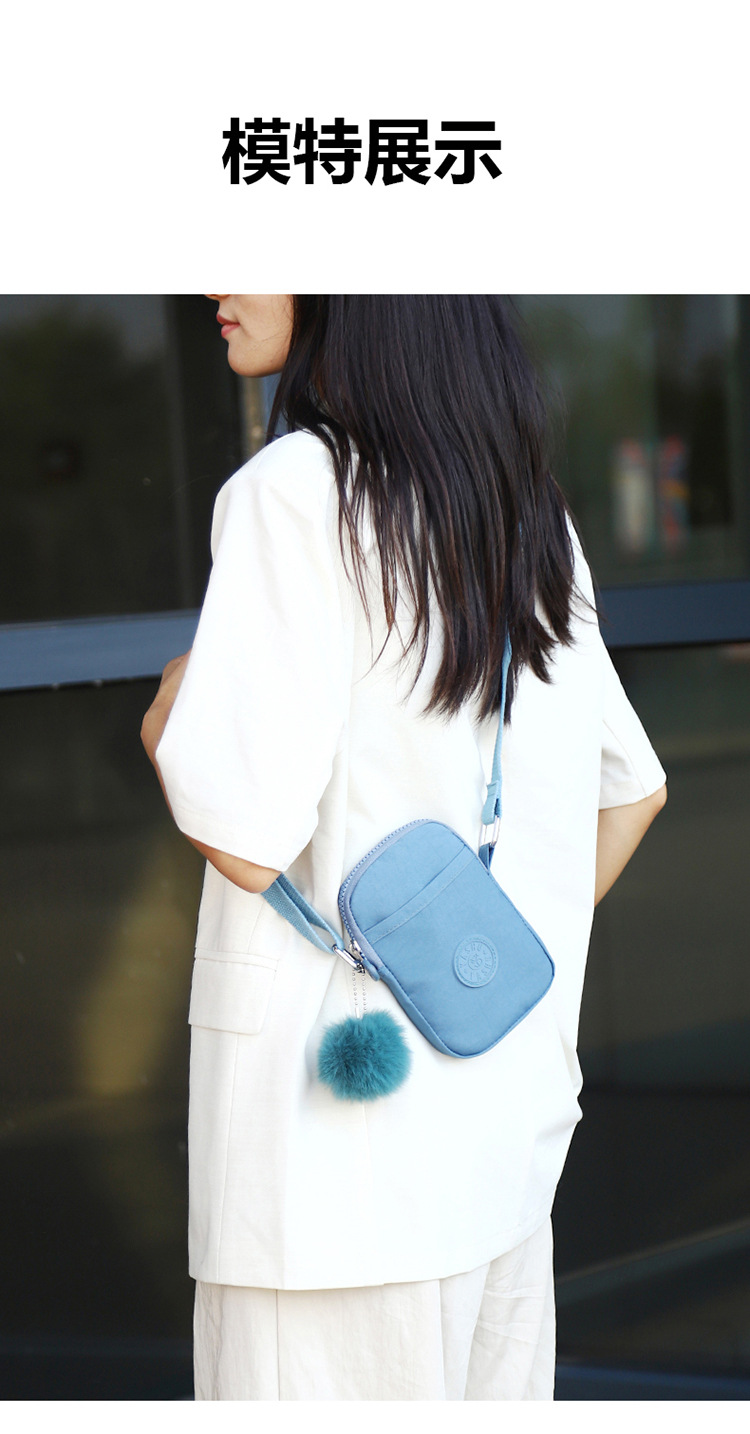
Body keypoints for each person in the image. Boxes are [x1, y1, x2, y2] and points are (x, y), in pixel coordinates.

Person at [141, 294, 667, 1401]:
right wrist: (461, 970)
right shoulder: (525, 510)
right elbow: (632, 793)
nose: (210, 284)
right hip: (502, 1154)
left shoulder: (295, 493)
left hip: (328, 1188)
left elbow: (244, 837)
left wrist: (167, 721)